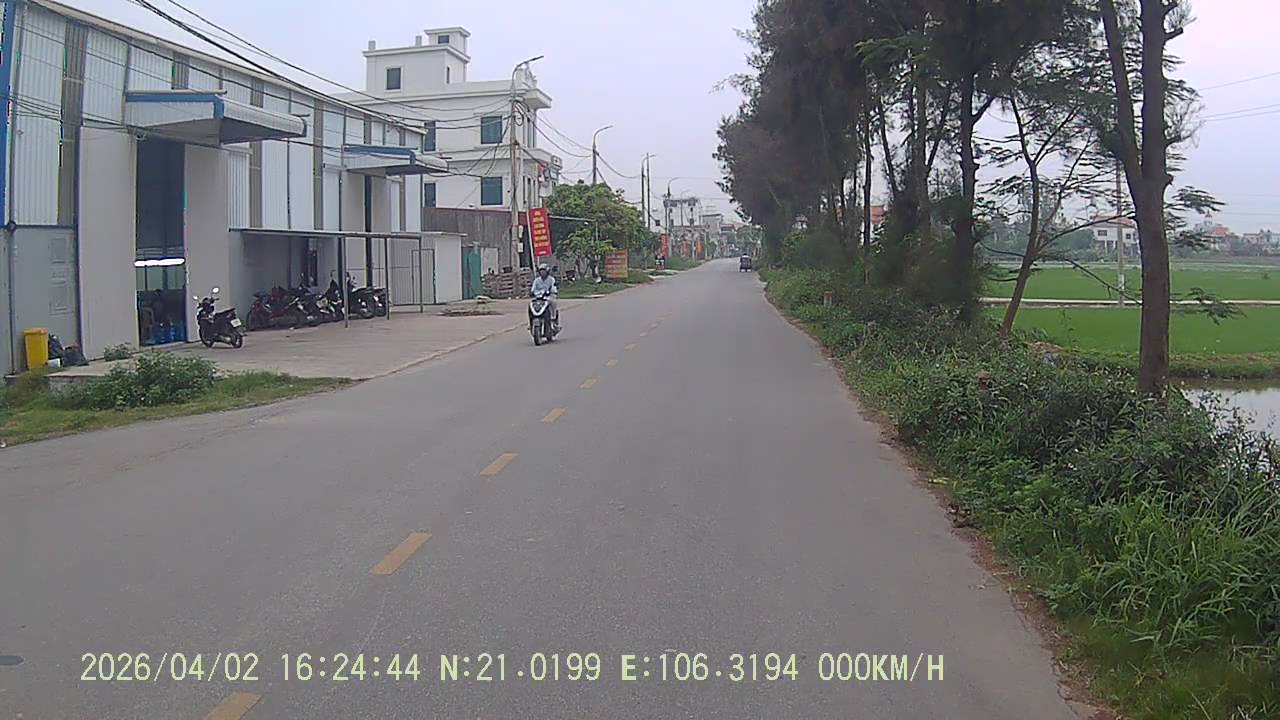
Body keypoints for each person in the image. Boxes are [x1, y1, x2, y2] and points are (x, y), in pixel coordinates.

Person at [531, 262, 559, 329]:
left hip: (548, 297)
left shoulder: (551, 279)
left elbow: (553, 287)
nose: (542, 272)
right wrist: (532, 292)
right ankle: (531, 321)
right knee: (531, 305)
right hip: (538, 298)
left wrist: (553, 291)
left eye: (544, 271)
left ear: (547, 271)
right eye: (541, 271)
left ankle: (553, 319)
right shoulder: (536, 280)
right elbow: (533, 289)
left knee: (553, 302)